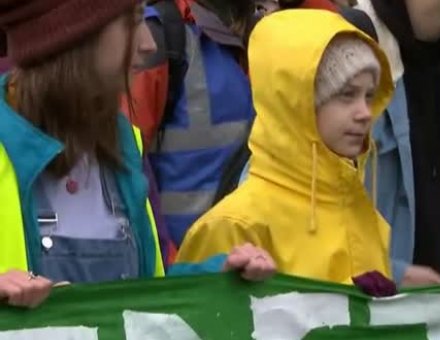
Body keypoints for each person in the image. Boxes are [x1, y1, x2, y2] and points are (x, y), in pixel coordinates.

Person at [0, 0, 275, 309]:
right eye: (131, 22)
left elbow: (146, 293)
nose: (148, 43)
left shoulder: (126, 145)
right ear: (73, 34)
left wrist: (215, 279)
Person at [175, 9, 395, 285]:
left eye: (369, 95)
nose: (364, 112)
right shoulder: (237, 223)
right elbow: (191, 320)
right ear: (296, 103)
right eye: (346, 94)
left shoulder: (360, 210)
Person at [343, 0, 440, 285]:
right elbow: (294, 222)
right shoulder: (345, 50)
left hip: (436, 319)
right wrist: (392, 275)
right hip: (360, 318)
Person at [127, 0, 257, 247]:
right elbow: (123, 171)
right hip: (183, 272)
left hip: (249, 266)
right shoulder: (159, 36)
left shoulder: (267, 32)